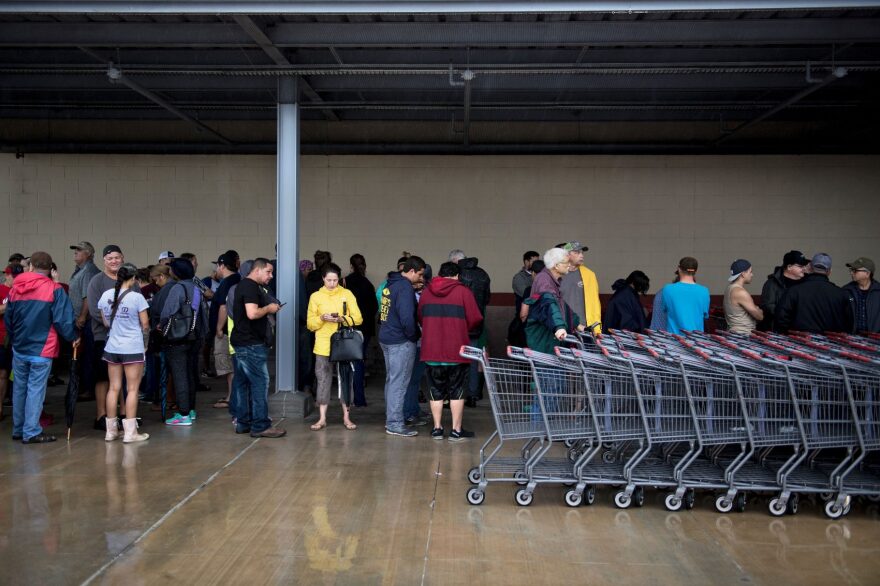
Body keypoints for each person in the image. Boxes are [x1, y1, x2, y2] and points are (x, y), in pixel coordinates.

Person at [4, 251, 78, 444]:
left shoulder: (15, 288)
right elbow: (63, 320)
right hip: (42, 348)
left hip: (19, 347)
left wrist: (14, 339)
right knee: (36, 389)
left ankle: (19, 429)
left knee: (20, 388)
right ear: (50, 268)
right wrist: (73, 337)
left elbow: (8, 318)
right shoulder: (54, 289)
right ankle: (31, 431)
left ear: (30, 266)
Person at [419, 262, 482, 441]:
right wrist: (460, 327)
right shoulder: (464, 292)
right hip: (456, 351)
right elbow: (475, 318)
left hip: (432, 350)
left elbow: (420, 316)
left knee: (435, 390)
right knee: (457, 391)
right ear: (457, 276)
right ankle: (456, 430)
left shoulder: (426, 292)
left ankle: (437, 428)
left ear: (439, 274)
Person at [230, 258, 286, 438]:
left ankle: (243, 423)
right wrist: (269, 308)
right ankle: (261, 425)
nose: (271, 276)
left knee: (241, 383)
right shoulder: (250, 287)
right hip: (251, 344)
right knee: (260, 383)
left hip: (242, 342)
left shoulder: (244, 286)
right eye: (268, 272)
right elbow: (252, 313)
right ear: (257, 270)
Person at [86, 245, 139, 431]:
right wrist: (114, 324)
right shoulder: (97, 281)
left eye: (117, 257)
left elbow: (139, 308)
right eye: (110, 258)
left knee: (126, 378)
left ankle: (126, 414)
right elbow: (94, 310)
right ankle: (102, 415)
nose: (114, 261)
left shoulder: (131, 280)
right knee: (103, 378)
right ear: (104, 261)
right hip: (104, 336)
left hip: (128, 339)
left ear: (123, 258)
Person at [306, 263, 363, 431]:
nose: (332, 283)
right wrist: (322, 318)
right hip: (323, 344)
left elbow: (358, 318)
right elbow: (310, 324)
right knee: (323, 380)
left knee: (346, 379)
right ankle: (322, 417)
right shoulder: (316, 297)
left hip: (344, 344)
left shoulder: (347, 294)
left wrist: (342, 319)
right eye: (329, 280)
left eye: (335, 280)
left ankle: (347, 416)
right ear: (323, 278)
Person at [97, 263, 150, 443]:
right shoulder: (136, 298)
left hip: (112, 346)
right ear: (134, 278)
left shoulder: (105, 296)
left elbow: (105, 322)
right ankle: (130, 432)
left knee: (113, 387)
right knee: (133, 389)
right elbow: (145, 325)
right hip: (132, 347)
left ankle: (111, 431)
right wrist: (145, 345)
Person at [379, 255, 426, 437]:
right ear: (412, 271)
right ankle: (395, 423)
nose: (421, 279)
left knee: (392, 381)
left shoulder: (390, 284)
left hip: (387, 337)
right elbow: (407, 317)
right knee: (399, 383)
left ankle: (391, 419)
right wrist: (414, 335)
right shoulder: (405, 288)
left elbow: (384, 313)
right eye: (420, 274)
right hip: (401, 341)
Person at [158, 259, 207, 426]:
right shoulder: (197, 287)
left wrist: (161, 326)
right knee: (190, 373)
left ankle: (183, 414)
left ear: (176, 272)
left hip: (178, 338)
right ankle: (191, 410)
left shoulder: (177, 288)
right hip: (195, 337)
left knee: (179, 375)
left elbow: (167, 312)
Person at [448, 249, 491, 408]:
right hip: (476, 323)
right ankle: (472, 395)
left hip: (458, 323)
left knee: (455, 360)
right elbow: (487, 298)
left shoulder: (457, 274)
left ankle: (457, 394)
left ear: (454, 261)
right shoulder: (483, 274)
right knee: (473, 359)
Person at [523, 248, 585, 354]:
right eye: (566, 262)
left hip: (550, 340)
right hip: (544, 342)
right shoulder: (544, 281)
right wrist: (559, 327)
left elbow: (562, 305)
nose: (569, 265)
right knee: (550, 370)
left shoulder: (551, 280)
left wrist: (577, 324)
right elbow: (549, 304)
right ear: (556, 266)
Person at [775, 253, 854, 334]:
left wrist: (790, 335)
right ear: (829, 271)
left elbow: (781, 318)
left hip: (800, 343)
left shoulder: (794, 291)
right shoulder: (841, 294)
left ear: (810, 268)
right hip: (831, 344)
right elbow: (849, 324)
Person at [343, 254, 378, 407]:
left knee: (345, 363)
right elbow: (374, 307)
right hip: (365, 329)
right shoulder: (368, 284)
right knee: (359, 361)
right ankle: (359, 398)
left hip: (349, 327)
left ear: (351, 266)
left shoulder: (345, 282)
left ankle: (346, 398)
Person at [68, 241, 101, 401]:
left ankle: (89, 388)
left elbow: (87, 296)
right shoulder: (79, 270)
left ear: (88, 254)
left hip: (87, 321)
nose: (75, 252)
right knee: (82, 355)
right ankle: (83, 386)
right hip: (78, 319)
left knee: (88, 355)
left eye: (79, 250)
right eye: (75, 250)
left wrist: (82, 316)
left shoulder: (88, 271)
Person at [209, 252, 240, 409]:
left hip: (227, 331)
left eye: (217, 265)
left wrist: (219, 328)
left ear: (222, 265)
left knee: (228, 367)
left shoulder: (228, 282)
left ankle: (231, 397)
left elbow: (223, 306)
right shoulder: (235, 280)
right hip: (233, 331)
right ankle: (232, 396)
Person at [558, 241, 602, 335]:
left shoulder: (589, 275)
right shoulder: (557, 273)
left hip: (584, 327)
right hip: (562, 327)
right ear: (567, 255)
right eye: (577, 252)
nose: (581, 255)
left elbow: (595, 304)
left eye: (582, 252)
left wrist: (597, 329)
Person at [759, 250, 809, 331]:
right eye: (800, 266)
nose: (804, 269)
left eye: (804, 266)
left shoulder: (806, 283)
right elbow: (768, 306)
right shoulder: (772, 283)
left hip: (801, 330)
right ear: (789, 267)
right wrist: (790, 316)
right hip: (777, 331)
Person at [660, 257, 710, 335]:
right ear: (695, 271)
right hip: (696, 339)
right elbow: (705, 315)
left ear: (679, 269)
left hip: (674, 339)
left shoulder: (668, 289)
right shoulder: (704, 291)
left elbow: (664, 309)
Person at [723, 259, 764, 335]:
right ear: (743, 274)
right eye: (750, 271)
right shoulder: (740, 292)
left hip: (734, 332)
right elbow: (759, 316)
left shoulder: (729, 288)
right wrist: (759, 310)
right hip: (743, 335)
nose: (752, 274)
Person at [844, 257, 879, 333]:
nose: (851, 273)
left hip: (875, 340)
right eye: (851, 270)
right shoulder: (846, 291)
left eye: (855, 270)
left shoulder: (878, 292)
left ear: (867, 273)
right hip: (852, 339)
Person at [513, 250, 540, 315]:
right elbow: (528, 296)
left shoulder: (540, 276)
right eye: (534, 262)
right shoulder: (519, 277)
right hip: (525, 314)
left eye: (538, 262)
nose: (536, 264)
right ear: (526, 262)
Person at [0, 271, 12, 421]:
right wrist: (8, 306)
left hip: (13, 339)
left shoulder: (19, 290)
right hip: (1, 337)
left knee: (5, 374)